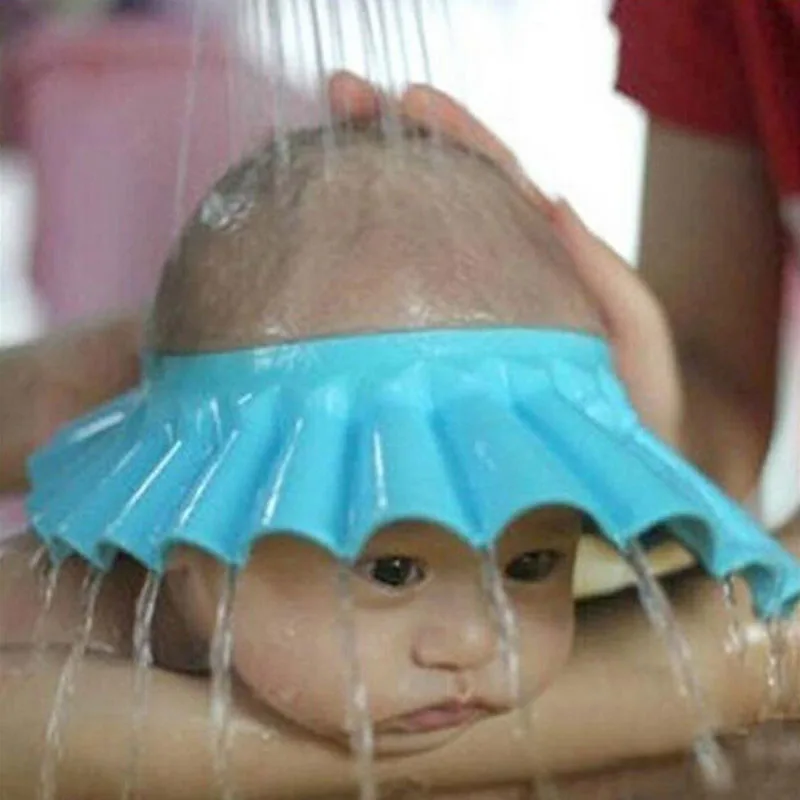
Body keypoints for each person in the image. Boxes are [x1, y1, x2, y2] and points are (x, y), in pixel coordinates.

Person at [2, 93, 799, 799]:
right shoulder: (48, 625)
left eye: (532, 565)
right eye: (391, 569)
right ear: (191, 541)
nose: (476, 641)